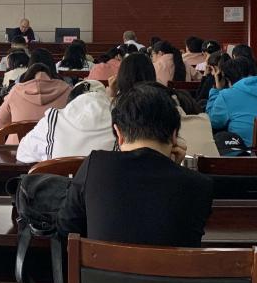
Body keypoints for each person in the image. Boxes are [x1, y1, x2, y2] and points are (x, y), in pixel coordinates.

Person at [57, 82, 214, 246]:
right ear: (175, 135)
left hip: (100, 263)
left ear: (118, 133)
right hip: (169, 264)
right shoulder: (200, 186)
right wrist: (173, 167)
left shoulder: (96, 165)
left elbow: (66, 228)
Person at [16, 81, 115, 163]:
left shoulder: (52, 120)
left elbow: (22, 153)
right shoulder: (119, 122)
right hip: (106, 180)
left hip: (58, 180)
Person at [0, 64, 71, 143]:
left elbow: (0, 124)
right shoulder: (67, 90)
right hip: (57, 148)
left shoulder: (15, 92)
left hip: (16, 148)